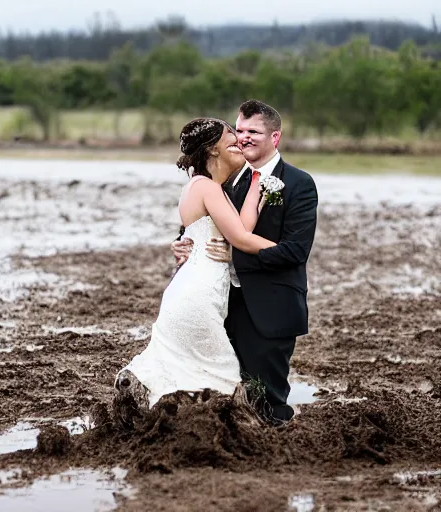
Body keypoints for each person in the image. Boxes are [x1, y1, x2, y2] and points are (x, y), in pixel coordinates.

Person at [172, 100, 318, 424]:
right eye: (239, 130)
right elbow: (198, 227)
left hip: (269, 308)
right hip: (220, 306)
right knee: (223, 394)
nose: (243, 137)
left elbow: (295, 252)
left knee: (267, 399)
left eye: (253, 131)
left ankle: (276, 466)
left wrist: (237, 251)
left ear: (275, 138)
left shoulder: (299, 184)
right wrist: (183, 245)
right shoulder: (222, 180)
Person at [114, 118, 275, 410]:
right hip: (198, 295)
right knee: (221, 378)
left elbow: (240, 228)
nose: (240, 143)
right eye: (232, 140)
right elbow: (240, 237)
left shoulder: (205, 188)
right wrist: (285, 252)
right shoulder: (206, 188)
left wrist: (257, 190)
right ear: (213, 150)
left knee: (197, 378)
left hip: (193, 291)